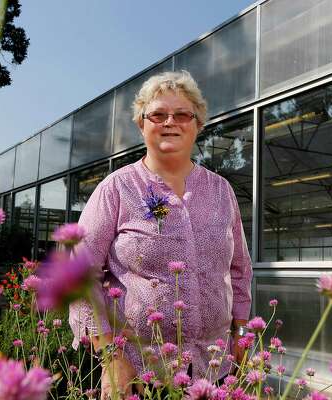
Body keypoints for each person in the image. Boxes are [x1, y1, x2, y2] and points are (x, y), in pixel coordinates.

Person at [68, 70, 253, 398]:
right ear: (141, 123)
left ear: (198, 124)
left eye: (183, 114)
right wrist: (112, 357)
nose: (171, 122)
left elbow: (239, 270)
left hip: (216, 367)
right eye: (157, 114)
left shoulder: (221, 190)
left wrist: (240, 335)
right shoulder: (117, 188)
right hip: (139, 371)